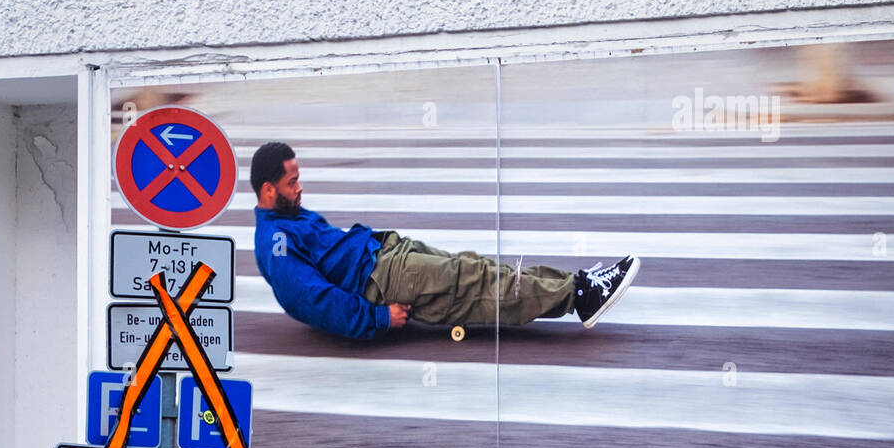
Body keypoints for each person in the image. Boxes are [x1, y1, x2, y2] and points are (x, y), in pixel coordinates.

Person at [250, 141, 640, 340]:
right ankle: (577, 298)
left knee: (478, 269)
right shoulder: (275, 242)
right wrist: (378, 318)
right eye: (292, 182)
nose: (300, 188)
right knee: (471, 281)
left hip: (384, 253)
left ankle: (577, 284)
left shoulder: (288, 216)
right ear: (269, 190)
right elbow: (311, 301)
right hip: (381, 278)